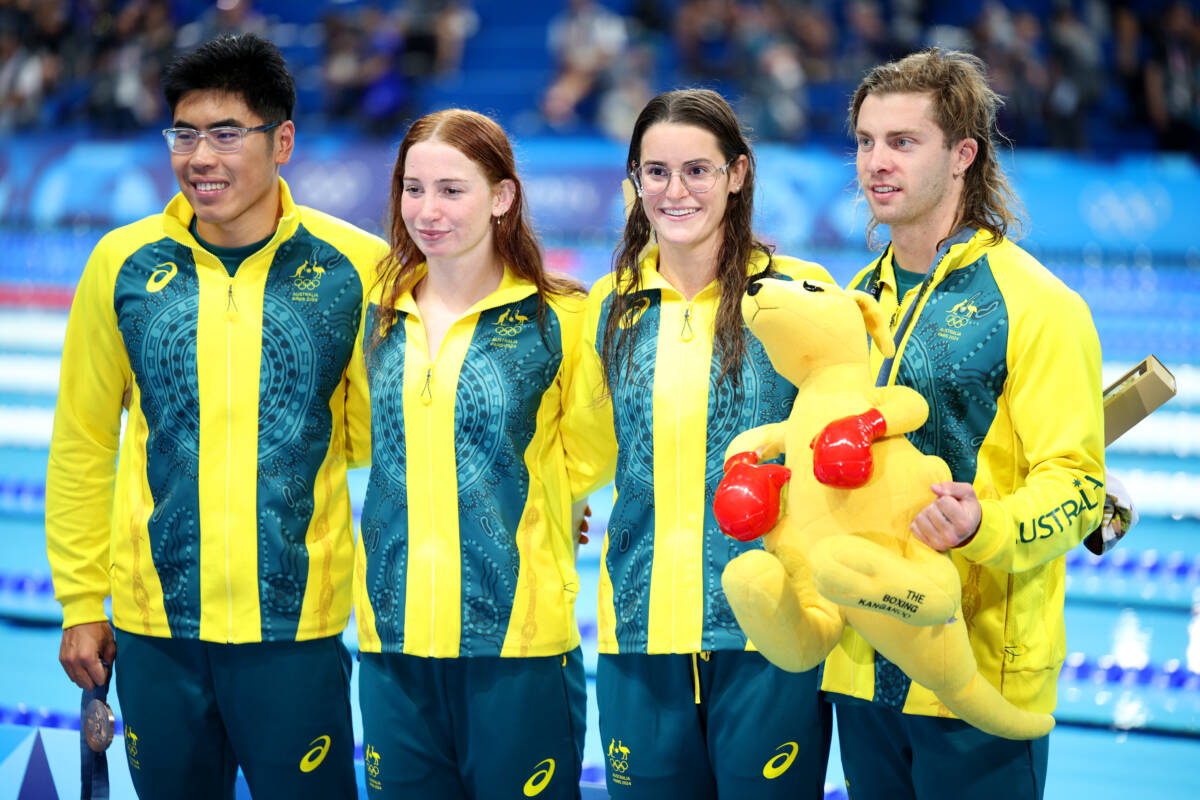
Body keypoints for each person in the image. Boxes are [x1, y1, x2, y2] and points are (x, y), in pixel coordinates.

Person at [45, 33, 387, 798]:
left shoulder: (356, 267)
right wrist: (78, 600)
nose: (202, 157)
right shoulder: (123, 265)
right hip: (153, 627)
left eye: (227, 133)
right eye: (185, 134)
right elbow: (82, 442)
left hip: (295, 629)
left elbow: (386, 429)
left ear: (283, 141)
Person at [823, 48, 1106, 798]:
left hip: (981, 671)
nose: (876, 162)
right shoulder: (849, 303)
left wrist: (987, 524)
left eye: (902, 142)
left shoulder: (1039, 306)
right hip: (864, 667)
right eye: (865, 142)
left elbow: (1078, 487)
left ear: (962, 155)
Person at [576, 88, 834, 799]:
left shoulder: (799, 297)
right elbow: (577, 445)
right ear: (634, 179)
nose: (675, 190)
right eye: (655, 172)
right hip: (641, 631)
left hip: (770, 634)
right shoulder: (608, 307)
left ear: (738, 174)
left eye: (698, 170)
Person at [352, 108, 606, 799]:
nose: (426, 211)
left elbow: (591, 451)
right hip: (392, 643)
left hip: (517, 649)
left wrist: (555, 499)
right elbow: (350, 433)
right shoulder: (375, 315)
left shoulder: (562, 318)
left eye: (451, 189)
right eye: (413, 188)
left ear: (502, 197)